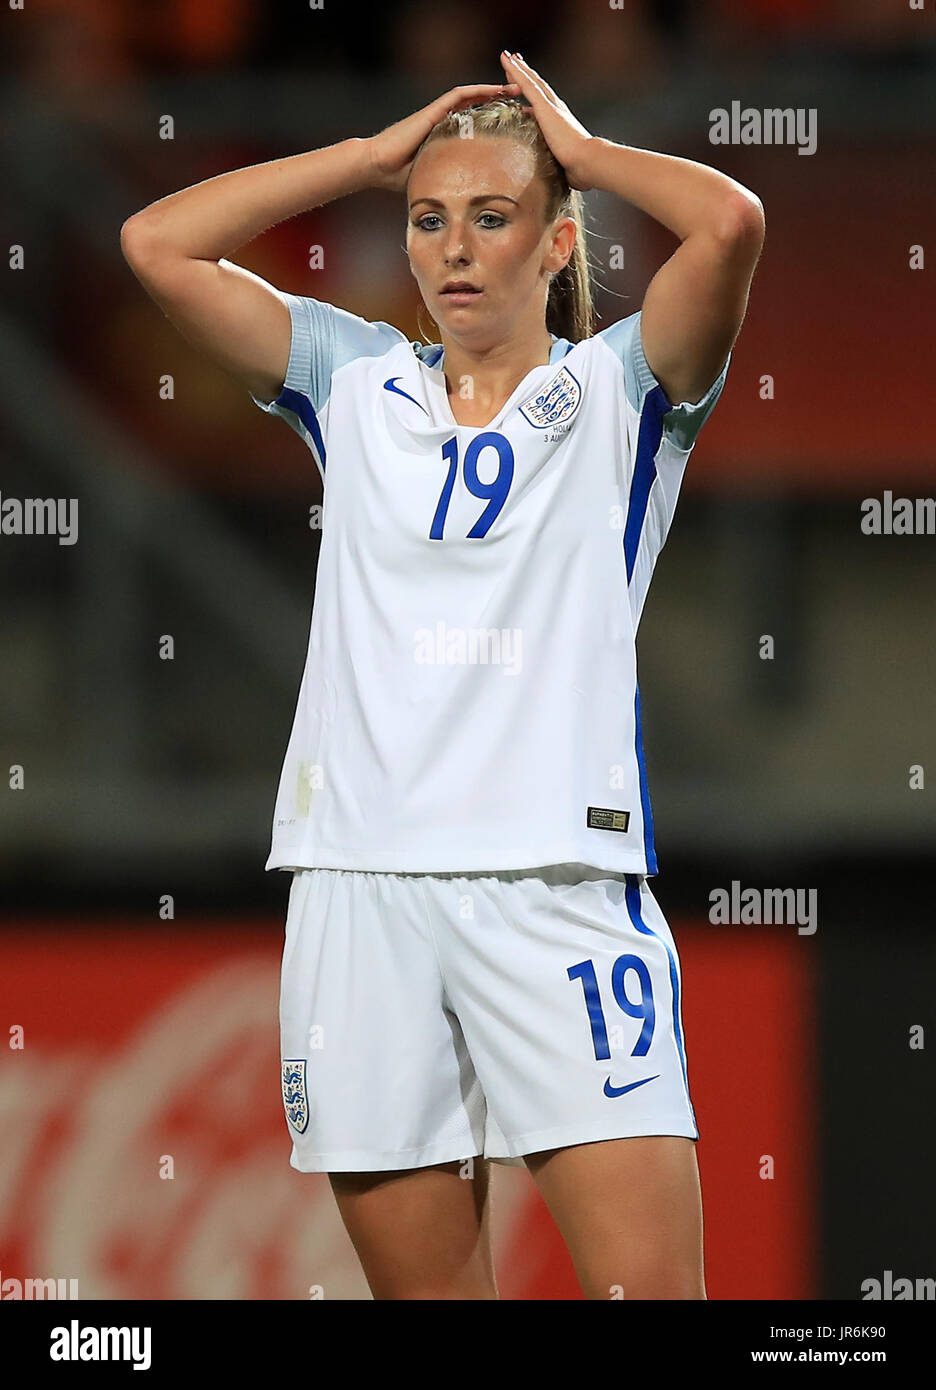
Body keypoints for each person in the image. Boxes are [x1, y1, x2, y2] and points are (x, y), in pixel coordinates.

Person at [121, 50, 764, 1300]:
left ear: (557, 238)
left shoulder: (623, 390)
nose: (455, 250)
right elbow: (157, 246)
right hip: (360, 891)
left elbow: (731, 221)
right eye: (427, 219)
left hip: (557, 889)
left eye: (492, 216)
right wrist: (366, 155)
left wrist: (581, 148)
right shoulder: (353, 382)